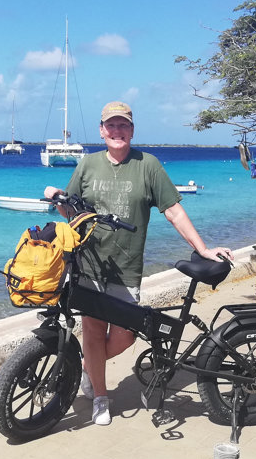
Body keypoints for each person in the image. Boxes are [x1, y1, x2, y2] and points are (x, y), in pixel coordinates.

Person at [44, 101, 233, 426]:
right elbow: (71, 211)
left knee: (125, 336)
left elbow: (173, 210)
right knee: (91, 328)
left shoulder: (148, 166)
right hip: (89, 264)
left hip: (127, 267)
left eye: (123, 125)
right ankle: (100, 397)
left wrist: (202, 248)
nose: (117, 131)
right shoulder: (87, 165)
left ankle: (90, 368)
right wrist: (57, 197)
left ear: (131, 130)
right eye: (111, 126)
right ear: (102, 130)